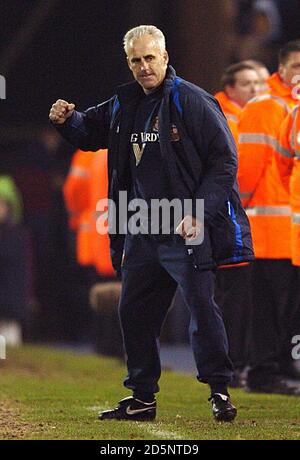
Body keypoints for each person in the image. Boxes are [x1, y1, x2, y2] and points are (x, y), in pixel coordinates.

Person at [49, 25, 254, 422]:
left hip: (185, 227)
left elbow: (224, 160)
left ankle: (219, 391)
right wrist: (68, 120)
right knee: (133, 313)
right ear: (129, 63)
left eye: (149, 58)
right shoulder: (123, 103)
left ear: (164, 56)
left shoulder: (193, 101)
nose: (144, 67)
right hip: (142, 226)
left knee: (201, 309)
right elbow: (91, 132)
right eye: (135, 60)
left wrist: (198, 211)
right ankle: (142, 398)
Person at [238, 40, 300, 393]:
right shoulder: (268, 106)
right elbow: (248, 168)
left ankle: (278, 368)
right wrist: (242, 211)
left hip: (288, 229)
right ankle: (263, 372)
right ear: (282, 69)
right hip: (269, 226)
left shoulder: (290, 107)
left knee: (287, 309)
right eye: (297, 67)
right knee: (270, 308)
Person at [214, 62, 260, 387]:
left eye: (258, 82)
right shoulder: (222, 117)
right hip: (228, 220)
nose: (254, 89)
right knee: (229, 298)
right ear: (230, 88)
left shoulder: (248, 118)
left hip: (243, 220)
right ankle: (228, 366)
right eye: (247, 83)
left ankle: (234, 365)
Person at [215, 62, 260, 144]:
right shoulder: (221, 119)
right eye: (246, 84)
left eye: (256, 83)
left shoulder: (259, 113)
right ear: (230, 90)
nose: (254, 89)